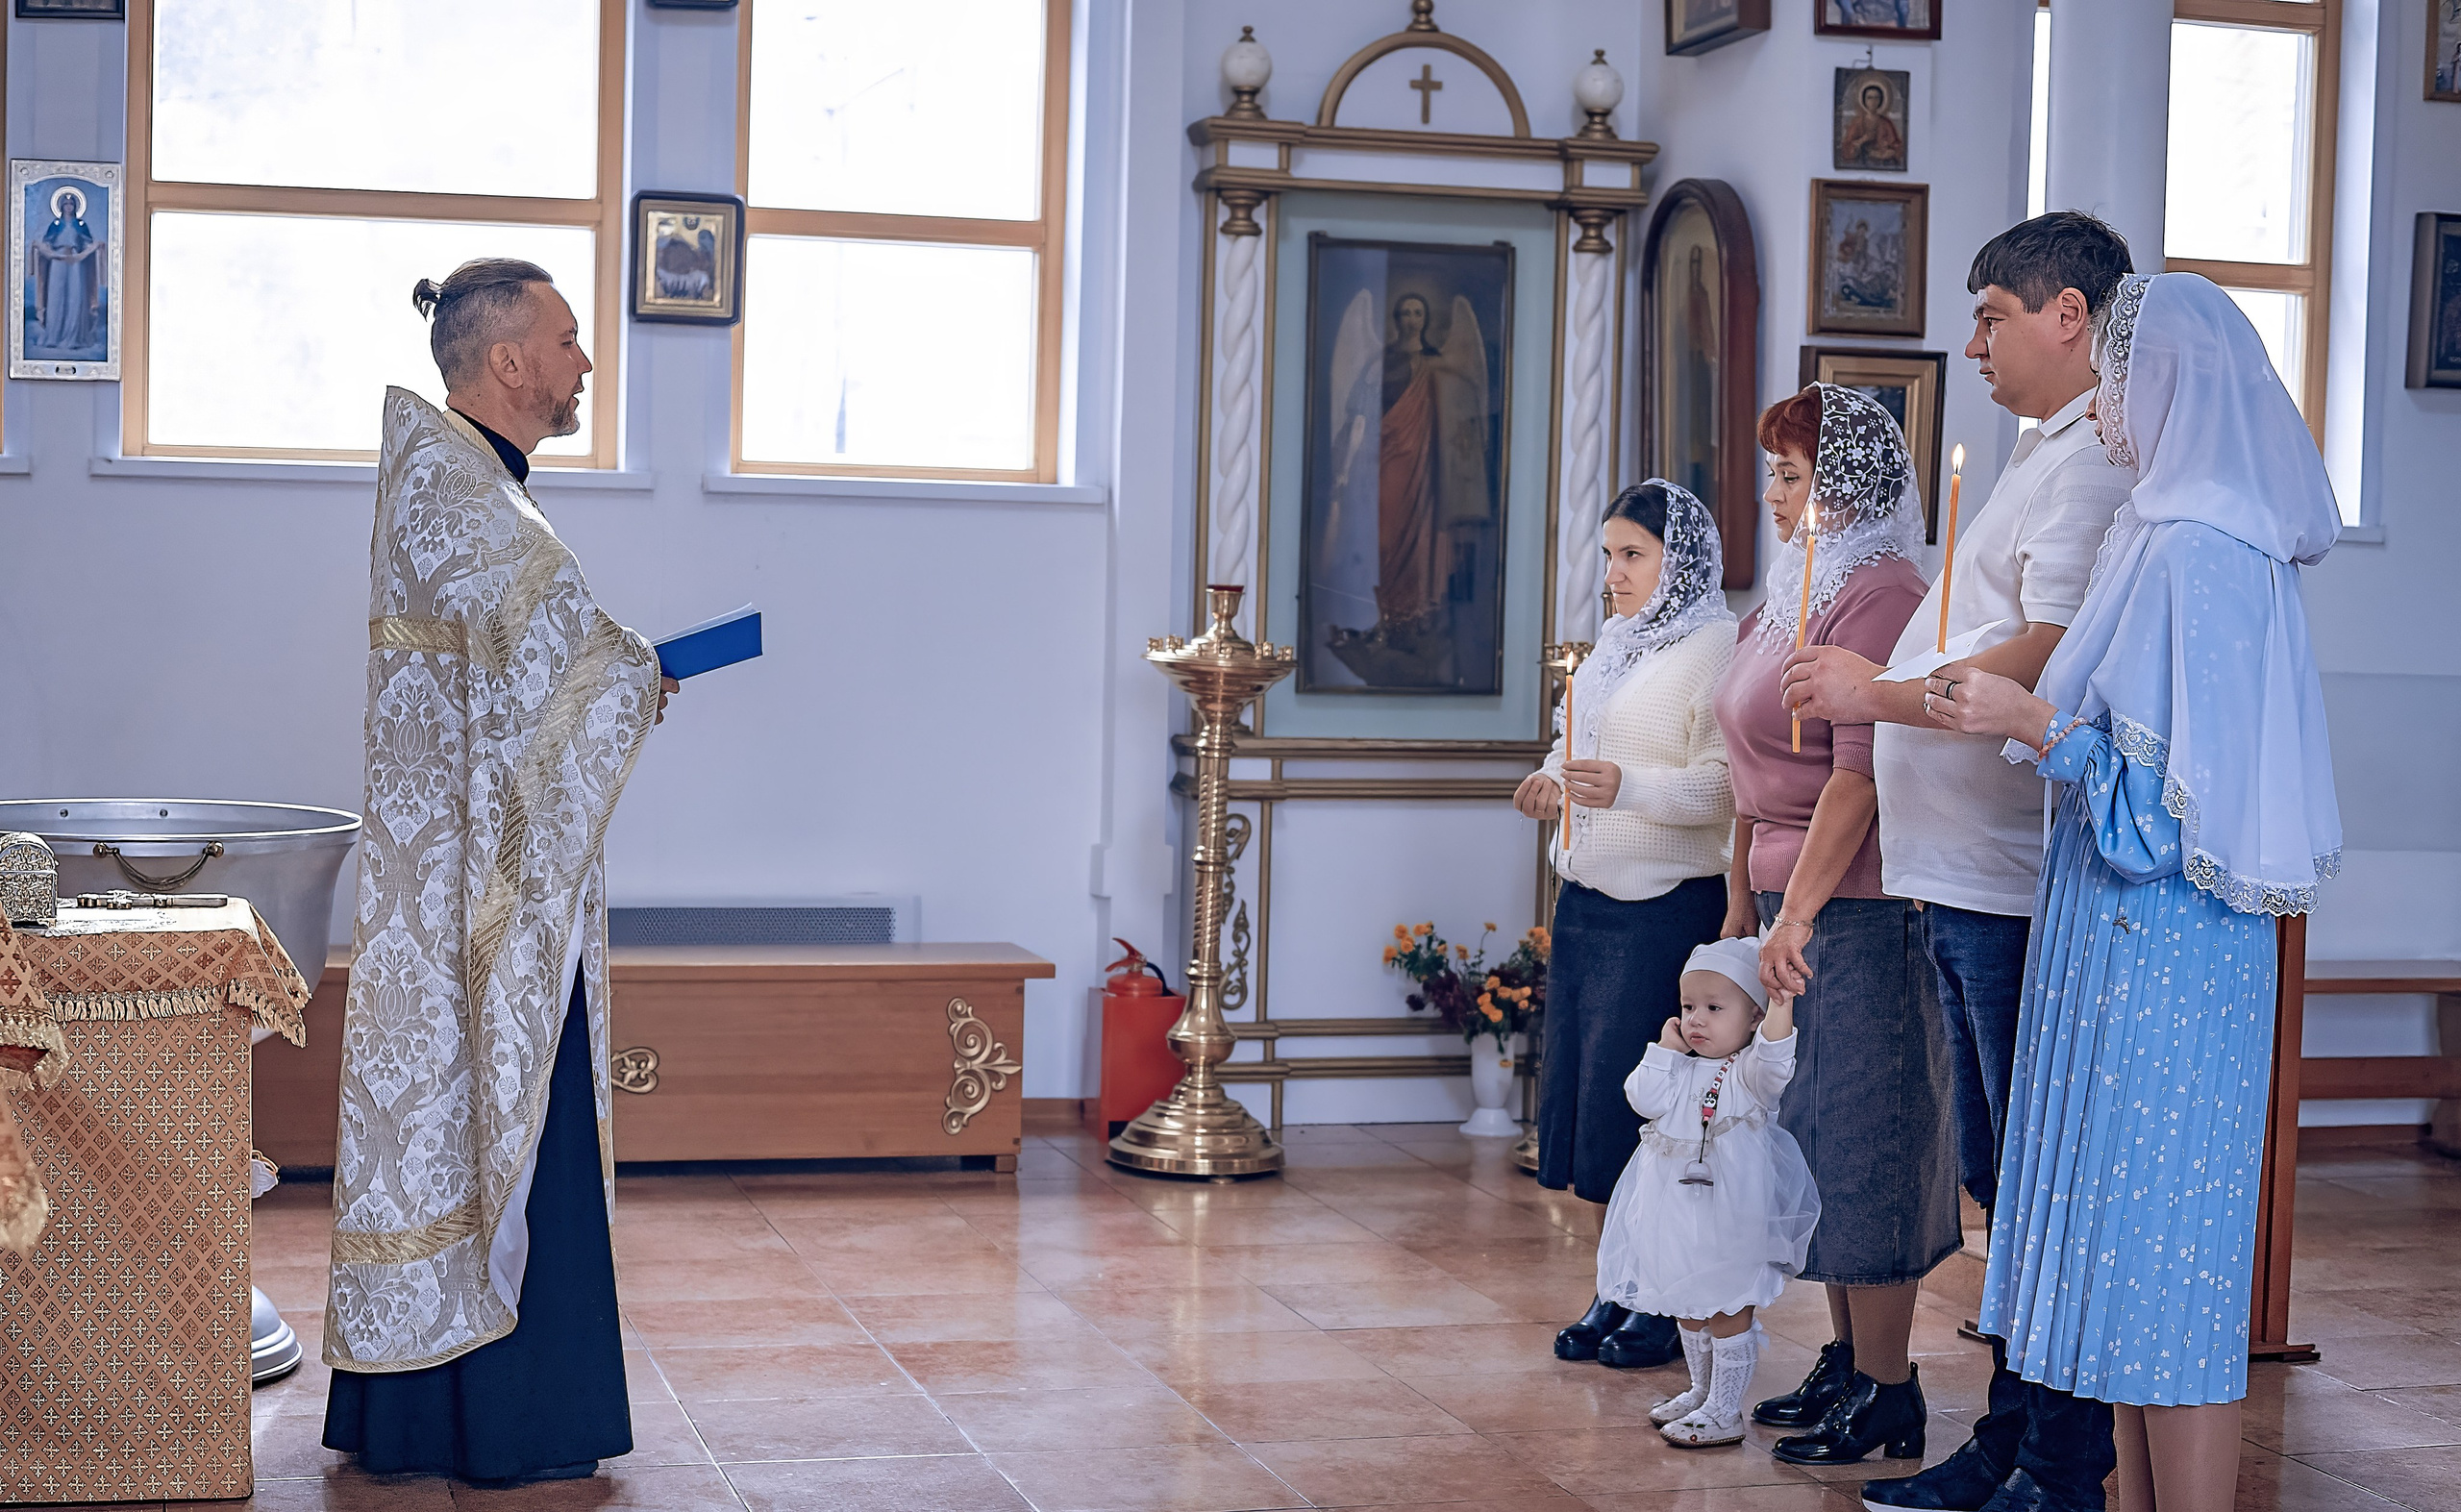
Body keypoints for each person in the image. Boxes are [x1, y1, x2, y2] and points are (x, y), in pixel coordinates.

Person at [1920, 272, 2341, 1512]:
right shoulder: (2164, 531)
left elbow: (2172, 811)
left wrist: (2028, 717)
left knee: (2167, 1277)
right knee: (2124, 1275)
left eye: (2112, 374)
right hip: (2115, 947)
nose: (2100, 405)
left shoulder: (2207, 552)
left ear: (2168, 381)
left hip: (2167, 950)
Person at [1779, 211, 2134, 1512]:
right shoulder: (2042, 458)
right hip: (1959, 875)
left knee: (2026, 1185)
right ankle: (2013, 1431)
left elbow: (2045, 653)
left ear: (2068, 316)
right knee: (2001, 1183)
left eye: (1990, 313)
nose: (1971, 341)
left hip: (2011, 881)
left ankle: (2056, 1459)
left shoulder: (2096, 461)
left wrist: (1877, 693)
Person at [321, 259, 679, 1484]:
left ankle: (434, 1416)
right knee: (495, 1117)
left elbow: (531, 664)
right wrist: (633, 678)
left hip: (483, 883)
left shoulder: (466, 482)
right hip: (474, 900)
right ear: (508, 361)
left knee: (472, 1125)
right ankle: (501, 1420)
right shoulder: (463, 491)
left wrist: (616, 675)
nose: (583, 362)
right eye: (568, 340)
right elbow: (547, 655)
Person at [1714, 384, 1959, 1465]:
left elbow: (1854, 781)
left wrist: (1798, 909)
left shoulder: (1884, 592)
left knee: (1870, 1137)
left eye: (1794, 475)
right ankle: (1846, 1356)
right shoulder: (1793, 589)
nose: (1776, 495)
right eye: (1773, 473)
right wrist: (1747, 902)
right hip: (1788, 896)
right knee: (1812, 1135)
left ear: (1846, 485)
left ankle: (1889, 1382)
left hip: (1857, 902)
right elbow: (1746, 760)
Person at [1514, 480, 1735, 1370]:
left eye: (1632, 554)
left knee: (1660, 1119)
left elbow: (1724, 787)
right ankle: (1617, 1284)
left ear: (1676, 560)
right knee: (1603, 1111)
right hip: (1590, 909)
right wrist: (1548, 778)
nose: (1614, 572)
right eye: (1608, 554)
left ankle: (1666, 1302)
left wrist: (1629, 788)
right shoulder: (1614, 643)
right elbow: (1576, 741)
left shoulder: (1714, 644)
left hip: (1664, 914)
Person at [1594, 936, 1814, 1449]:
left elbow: (1778, 1057)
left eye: (1715, 1008)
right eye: (1688, 1007)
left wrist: (1781, 1006)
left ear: (1754, 1017)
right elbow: (1643, 1099)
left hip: (1728, 1214)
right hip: (1673, 1210)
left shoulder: (1749, 1074)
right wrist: (1664, 1050)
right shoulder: (1677, 1064)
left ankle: (1725, 1407)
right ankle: (1700, 1389)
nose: (1697, 1019)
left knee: (1727, 1303)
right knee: (1687, 1300)